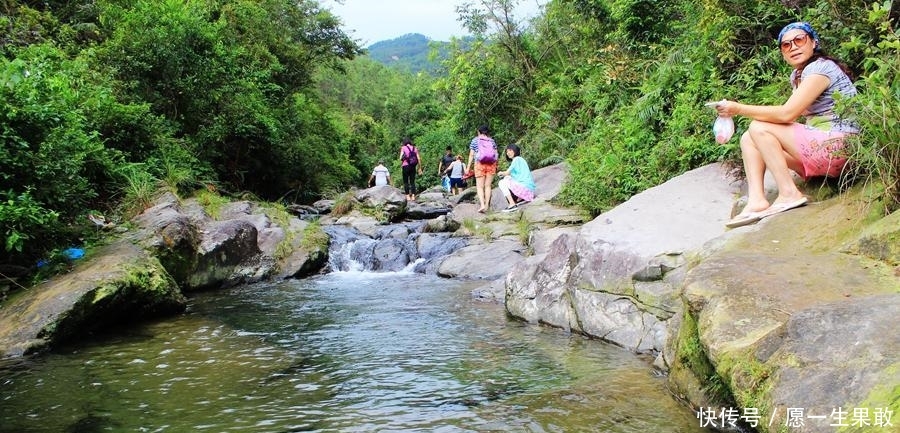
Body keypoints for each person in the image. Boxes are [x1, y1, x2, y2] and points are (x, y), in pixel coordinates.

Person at [715, 22, 858, 228]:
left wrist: (737, 109)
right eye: (786, 45)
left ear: (814, 42)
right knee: (749, 137)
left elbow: (787, 114)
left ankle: (789, 193)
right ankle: (757, 201)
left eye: (799, 40)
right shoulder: (798, 75)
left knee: (759, 127)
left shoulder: (821, 68)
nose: (793, 47)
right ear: (782, 53)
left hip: (840, 149)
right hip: (821, 152)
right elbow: (786, 118)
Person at [466, 125, 498, 213]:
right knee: (488, 186)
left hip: (480, 164)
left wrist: (468, 167)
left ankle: (482, 205)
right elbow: (496, 154)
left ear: (479, 132)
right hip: (491, 165)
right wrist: (496, 165)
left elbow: (471, 154)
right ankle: (487, 205)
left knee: (480, 186)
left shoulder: (475, 140)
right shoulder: (492, 141)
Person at [497, 144, 536, 212]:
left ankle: (512, 204)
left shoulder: (517, 159)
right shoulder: (520, 160)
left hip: (525, 188)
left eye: (510, 150)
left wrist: (500, 173)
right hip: (529, 191)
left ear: (515, 151)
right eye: (507, 151)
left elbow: (507, 172)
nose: (508, 153)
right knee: (507, 178)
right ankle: (520, 198)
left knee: (502, 182)